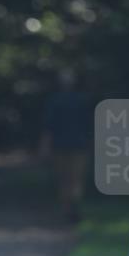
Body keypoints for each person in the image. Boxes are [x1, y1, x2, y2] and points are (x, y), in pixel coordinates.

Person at [39, 66, 92, 223]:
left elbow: (48, 126)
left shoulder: (54, 101)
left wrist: (44, 146)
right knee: (76, 179)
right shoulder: (82, 100)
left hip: (60, 145)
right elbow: (88, 125)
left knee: (64, 179)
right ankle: (73, 206)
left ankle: (67, 209)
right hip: (79, 145)